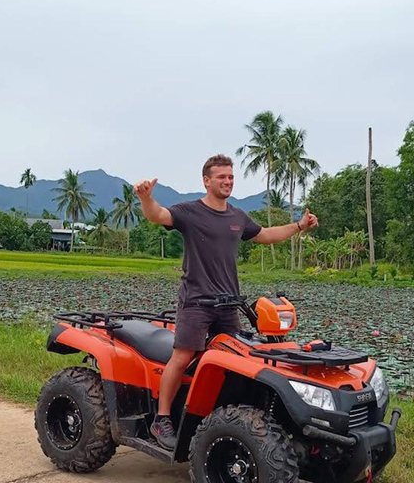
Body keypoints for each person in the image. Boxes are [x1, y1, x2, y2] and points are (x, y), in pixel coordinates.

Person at [134, 154, 319, 449]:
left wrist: (298, 226)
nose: (228, 181)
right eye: (221, 177)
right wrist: (146, 198)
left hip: (228, 305)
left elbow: (267, 235)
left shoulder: (237, 217)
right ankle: (163, 418)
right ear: (206, 181)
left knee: (235, 361)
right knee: (182, 357)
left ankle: (222, 416)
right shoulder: (190, 212)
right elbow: (158, 215)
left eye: (231, 177)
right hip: (196, 301)